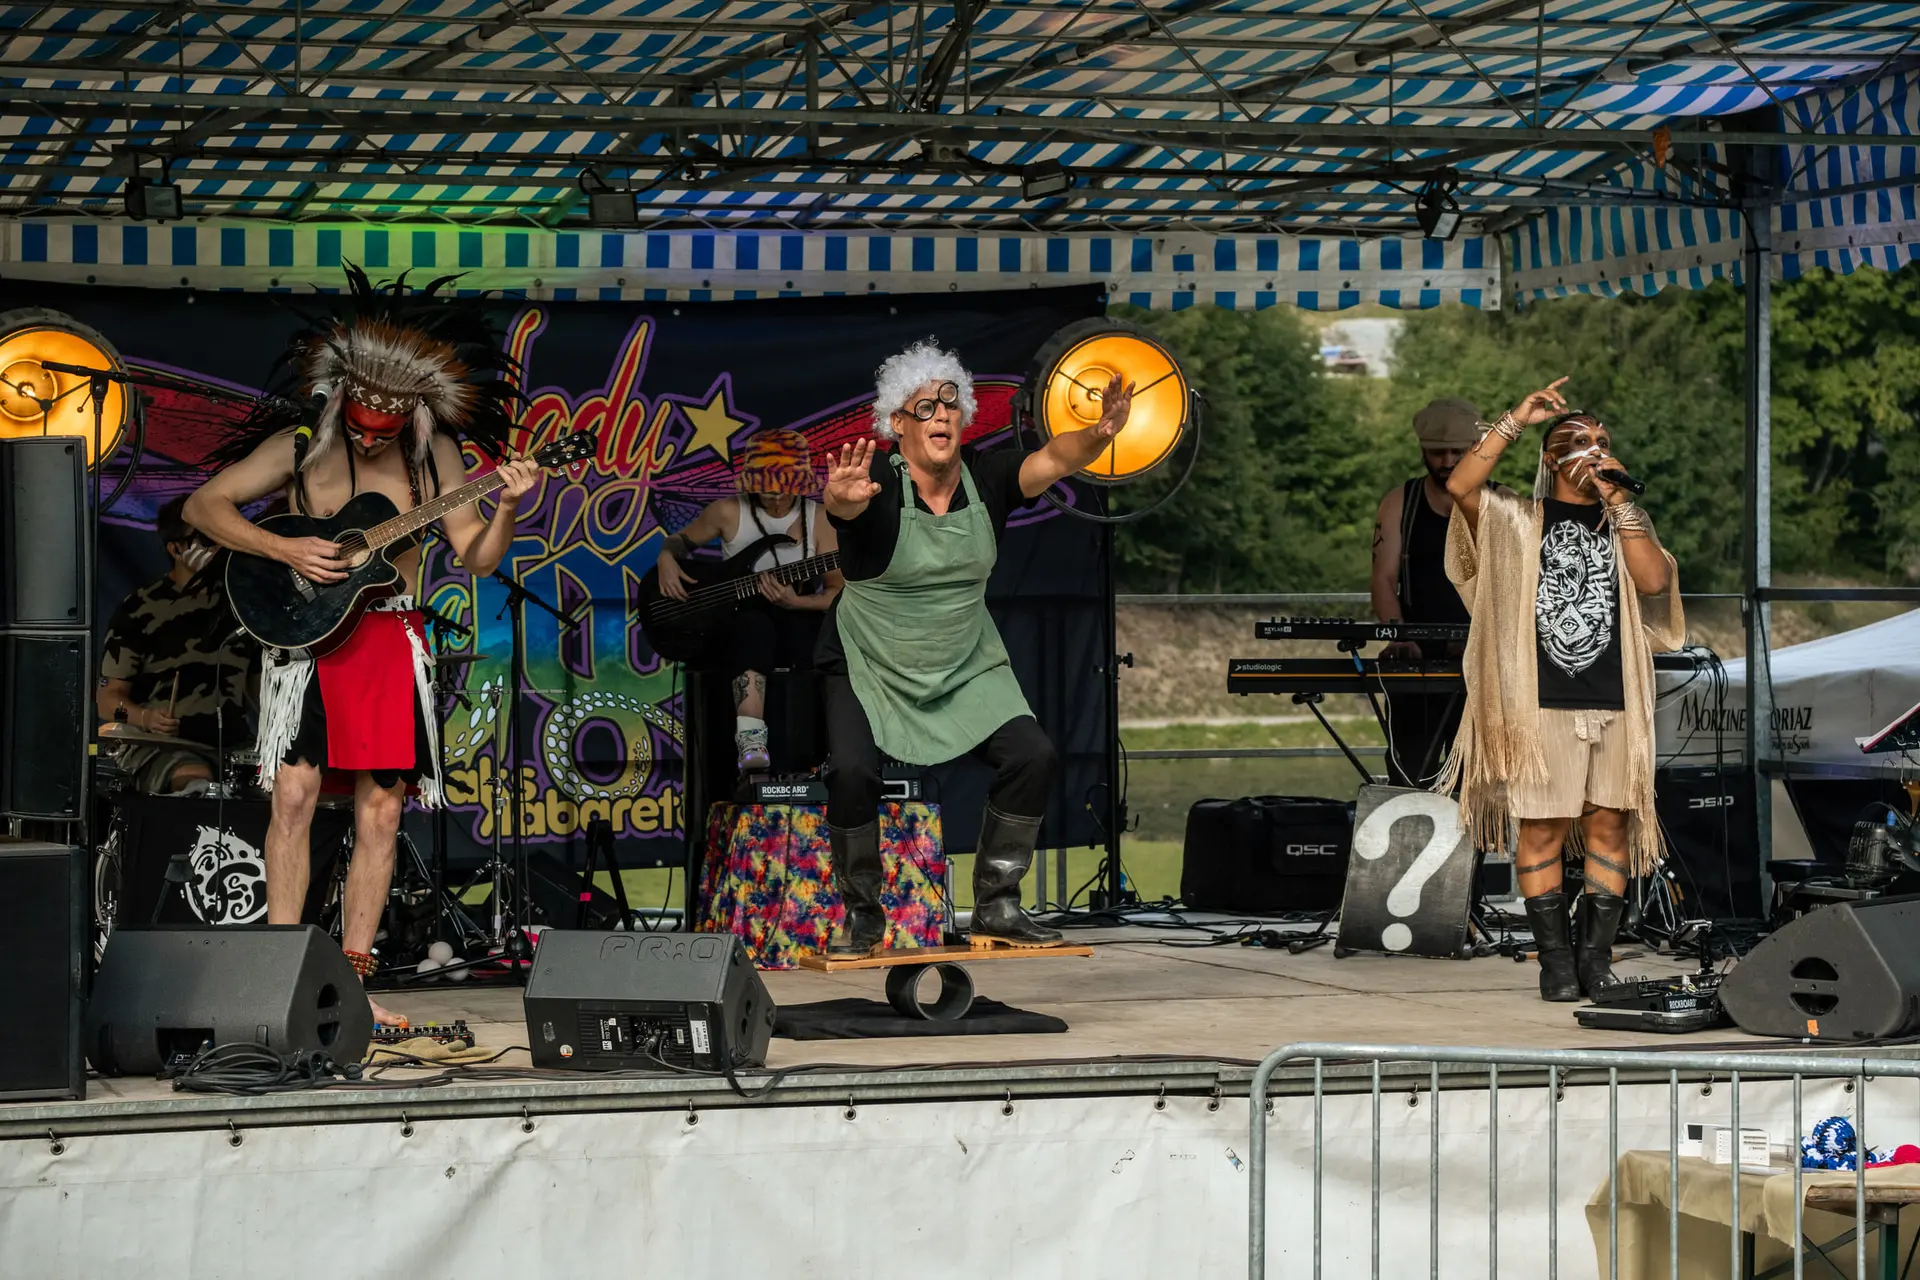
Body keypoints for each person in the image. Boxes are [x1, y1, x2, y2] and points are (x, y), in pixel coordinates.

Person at [186, 267, 538, 1027]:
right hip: (309, 640)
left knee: (381, 814)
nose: (369, 427)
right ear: (342, 393)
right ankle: (280, 974)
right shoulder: (303, 443)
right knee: (294, 796)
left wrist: (505, 504)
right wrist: (285, 552)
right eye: (360, 413)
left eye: (386, 418)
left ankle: (348, 984)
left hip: (390, 638)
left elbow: (475, 554)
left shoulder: (433, 456)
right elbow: (203, 504)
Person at [817, 338, 1133, 957]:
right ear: (897, 426)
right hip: (868, 657)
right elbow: (841, 509)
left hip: (962, 657)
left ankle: (997, 904)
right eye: (923, 406)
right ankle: (862, 914)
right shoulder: (875, 482)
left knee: (1033, 755)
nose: (940, 414)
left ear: (964, 419)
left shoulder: (988, 476)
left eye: (950, 403)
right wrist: (839, 501)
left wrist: (1098, 434)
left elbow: (1054, 459)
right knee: (853, 773)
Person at [1440, 382, 1684, 1003]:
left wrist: (1622, 502)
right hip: (1539, 696)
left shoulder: (1621, 519)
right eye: (1577, 442)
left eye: (1602, 441)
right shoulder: (1517, 517)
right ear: (1550, 460)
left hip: (1613, 694)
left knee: (1610, 824)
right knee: (1544, 826)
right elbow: (1460, 488)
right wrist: (1517, 419)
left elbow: (1654, 579)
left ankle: (1595, 958)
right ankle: (1554, 961)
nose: (1593, 449)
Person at [654, 429, 843, 772]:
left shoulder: (819, 519)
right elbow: (679, 542)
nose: (773, 497)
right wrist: (667, 557)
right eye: (765, 488)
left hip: (796, 621)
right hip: (734, 622)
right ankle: (751, 739)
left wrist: (795, 603)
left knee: (828, 635)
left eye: (782, 489)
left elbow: (837, 594)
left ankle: (828, 750)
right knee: (751, 628)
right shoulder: (727, 511)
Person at [96, 496, 255, 794]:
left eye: (224, 535)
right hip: (165, 747)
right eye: (207, 539)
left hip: (235, 747)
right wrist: (145, 718)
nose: (219, 547)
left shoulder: (242, 605)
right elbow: (107, 702)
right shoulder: (139, 609)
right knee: (193, 777)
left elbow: (257, 683)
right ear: (176, 549)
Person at [1369, 398, 1483, 788]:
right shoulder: (1400, 503)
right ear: (1422, 451)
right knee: (1409, 772)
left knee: (1476, 780)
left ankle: (1479, 849)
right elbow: (1383, 578)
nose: (1447, 461)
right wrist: (1399, 635)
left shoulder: (1499, 504)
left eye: (1457, 451)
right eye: (1437, 452)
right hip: (1414, 657)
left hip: (1480, 661)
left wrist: (1477, 640)